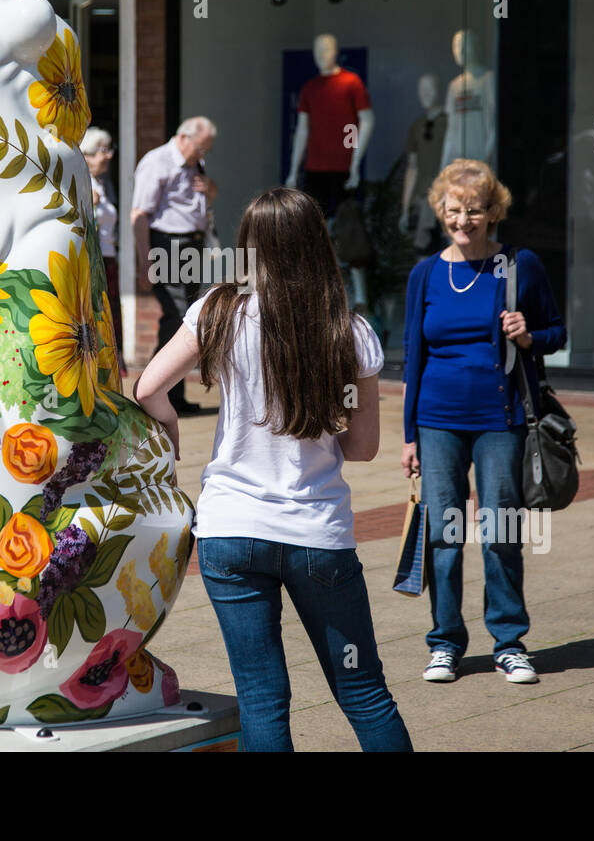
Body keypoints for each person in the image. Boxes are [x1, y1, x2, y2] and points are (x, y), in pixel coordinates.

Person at [135, 187, 411, 752]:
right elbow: (362, 450)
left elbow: (147, 387)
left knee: (261, 697)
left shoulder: (218, 310)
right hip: (316, 536)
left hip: (229, 532)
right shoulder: (348, 330)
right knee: (362, 691)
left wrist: (171, 430)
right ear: (317, 244)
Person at [400, 159, 565, 685]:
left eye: (474, 210)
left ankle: (509, 642)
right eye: (454, 210)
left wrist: (529, 337)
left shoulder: (520, 265)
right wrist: (409, 436)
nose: (463, 220)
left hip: (501, 418)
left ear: (493, 211)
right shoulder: (425, 273)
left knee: (501, 532)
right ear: (440, 211)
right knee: (444, 538)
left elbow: (557, 332)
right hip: (437, 421)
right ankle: (445, 643)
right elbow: (413, 358)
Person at [131, 116, 218, 414]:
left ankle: (172, 394)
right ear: (184, 138)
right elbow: (139, 214)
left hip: (192, 244)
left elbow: (202, 204)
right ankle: (155, 389)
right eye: (201, 148)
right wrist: (145, 261)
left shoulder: (196, 165)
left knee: (188, 316)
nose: (202, 155)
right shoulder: (157, 162)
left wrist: (211, 190)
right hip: (168, 245)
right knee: (179, 317)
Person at [81, 126, 126, 374]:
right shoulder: (81, 184)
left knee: (110, 317)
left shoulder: (102, 184)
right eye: (101, 151)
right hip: (93, 263)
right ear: (85, 155)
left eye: (109, 150)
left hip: (108, 258)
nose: (108, 156)